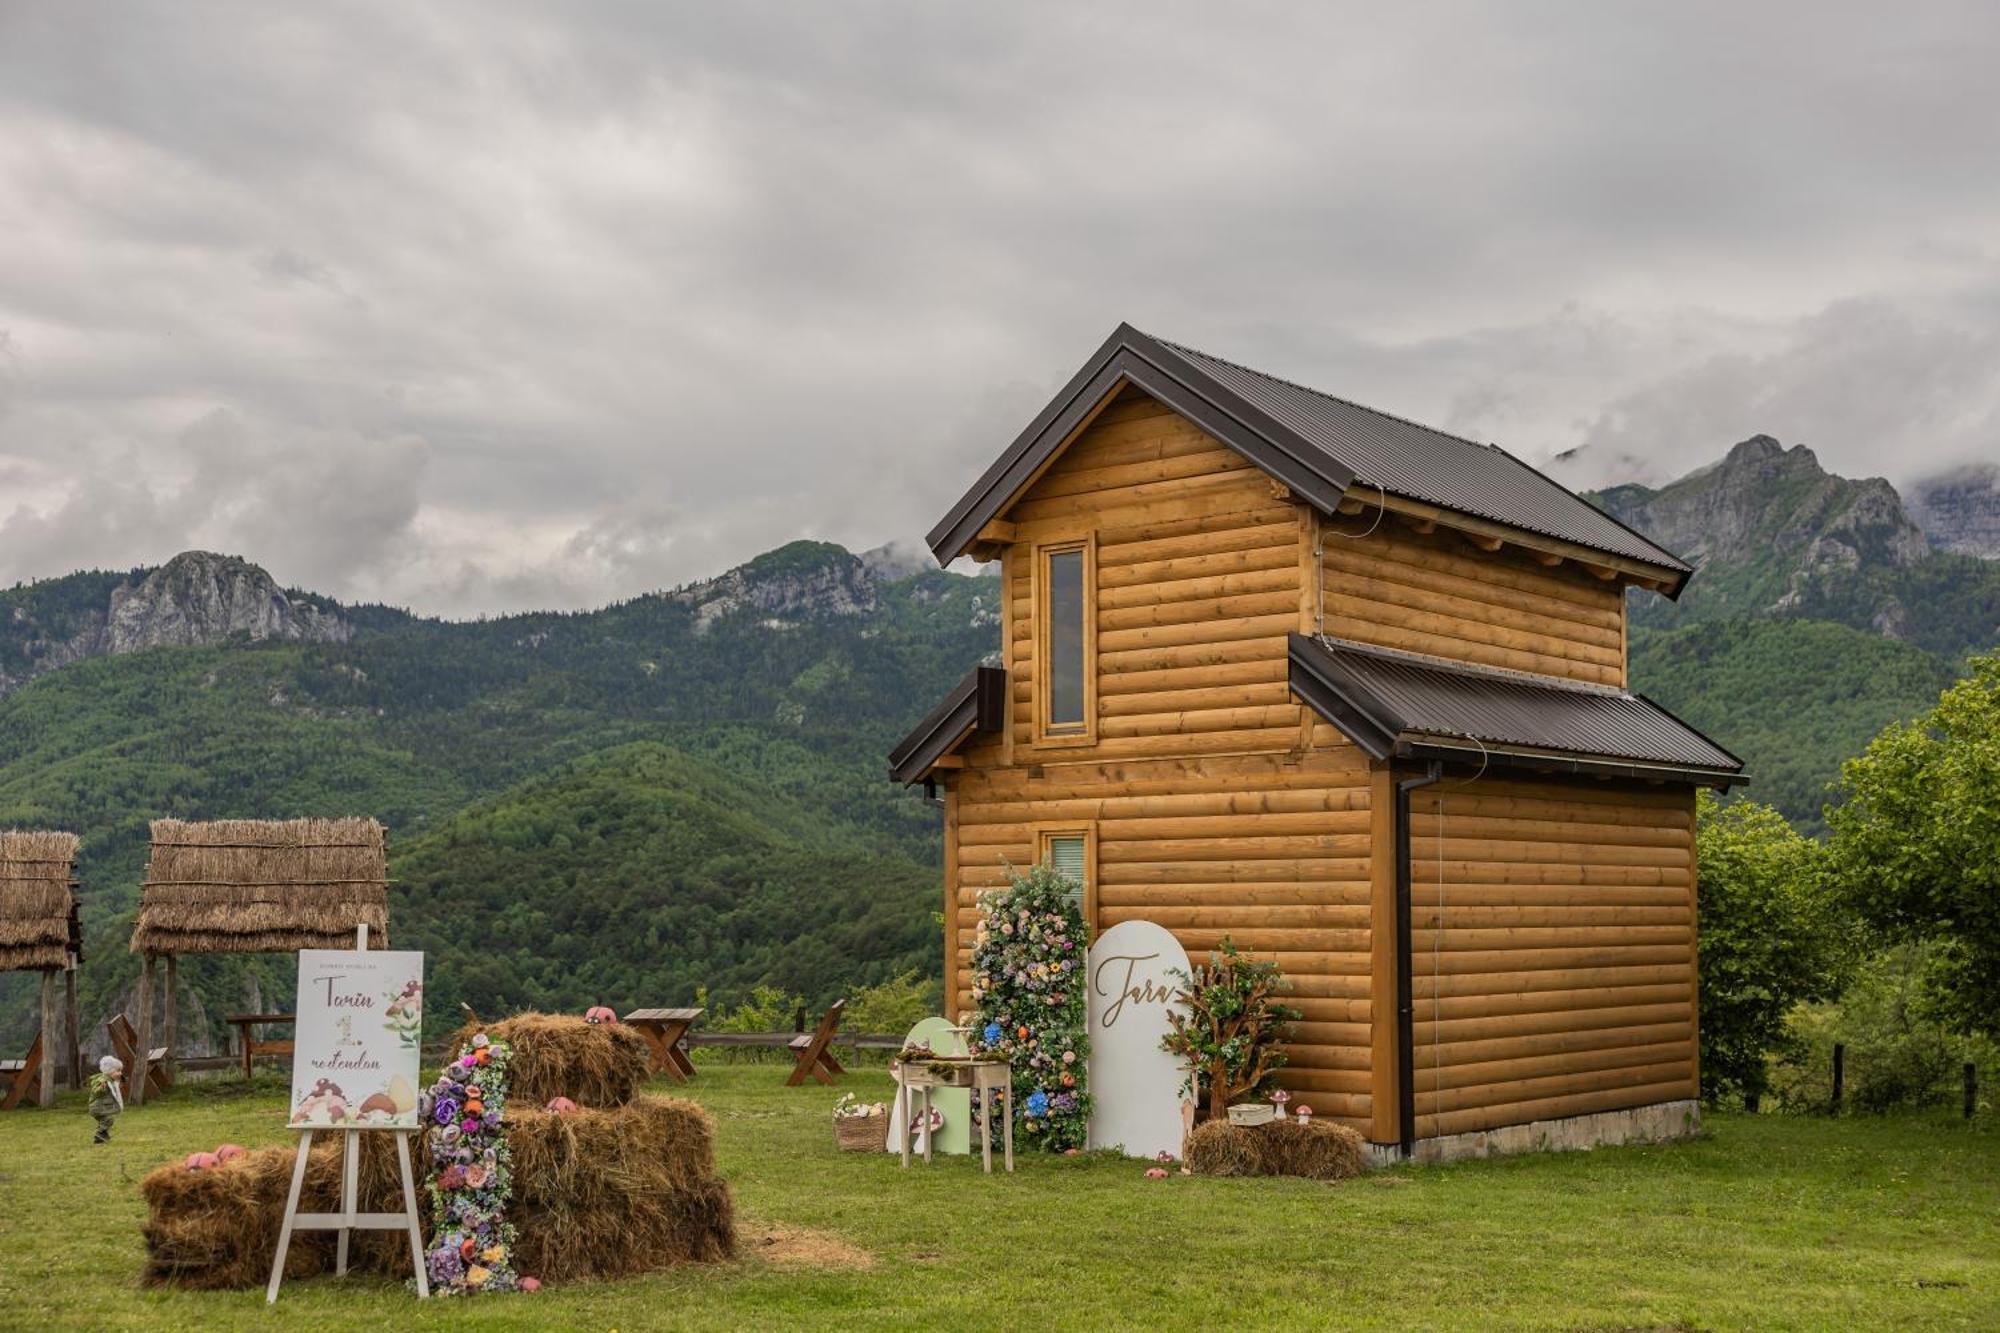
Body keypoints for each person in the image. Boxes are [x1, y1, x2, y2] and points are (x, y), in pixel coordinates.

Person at [88, 1054, 125, 1143]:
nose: (120, 1073)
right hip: (97, 1108)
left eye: (121, 1071)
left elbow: (115, 1089)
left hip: (102, 1107)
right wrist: (101, 1088)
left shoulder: (111, 1080)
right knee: (108, 1119)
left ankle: (101, 1136)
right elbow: (95, 1091)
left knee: (107, 1120)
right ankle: (100, 1133)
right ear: (110, 1071)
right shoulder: (102, 1080)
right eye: (118, 1071)